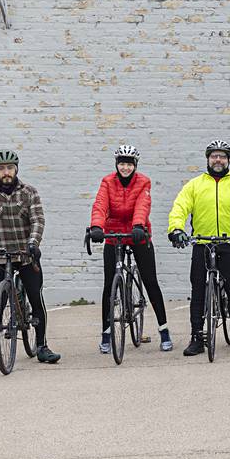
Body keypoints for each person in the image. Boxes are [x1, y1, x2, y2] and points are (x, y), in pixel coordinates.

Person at [167, 140, 230, 356]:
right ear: (208, 159)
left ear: (228, 160)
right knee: (198, 291)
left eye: (222, 156)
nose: (218, 160)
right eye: (214, 156)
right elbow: (180, 207)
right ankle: (197, 338)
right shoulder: (194, 185)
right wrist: (176, 229)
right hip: (202, 243)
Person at [0, 150, 60, 367]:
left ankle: (41, 346)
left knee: (36, 299)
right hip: (1, 257)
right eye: (1, 169)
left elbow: (38, 220)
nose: (6, 172)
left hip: (26, 255)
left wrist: (33, 244)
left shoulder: (29, 192)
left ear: (16, 169)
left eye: (10, 168)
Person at [89, 145, 173, 353]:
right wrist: (97, 227)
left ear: (135, 165)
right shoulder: (107, 182)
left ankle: (164, 331)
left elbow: (142, 205)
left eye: (129, 164)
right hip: (113, 234)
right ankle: (106, 334)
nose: (125, 167)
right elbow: (100, 204)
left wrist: (138, 226)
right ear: (116, 164)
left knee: (150, 280)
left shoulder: (143, 181)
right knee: (109, 285)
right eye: (122, 163)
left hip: (137, 233)